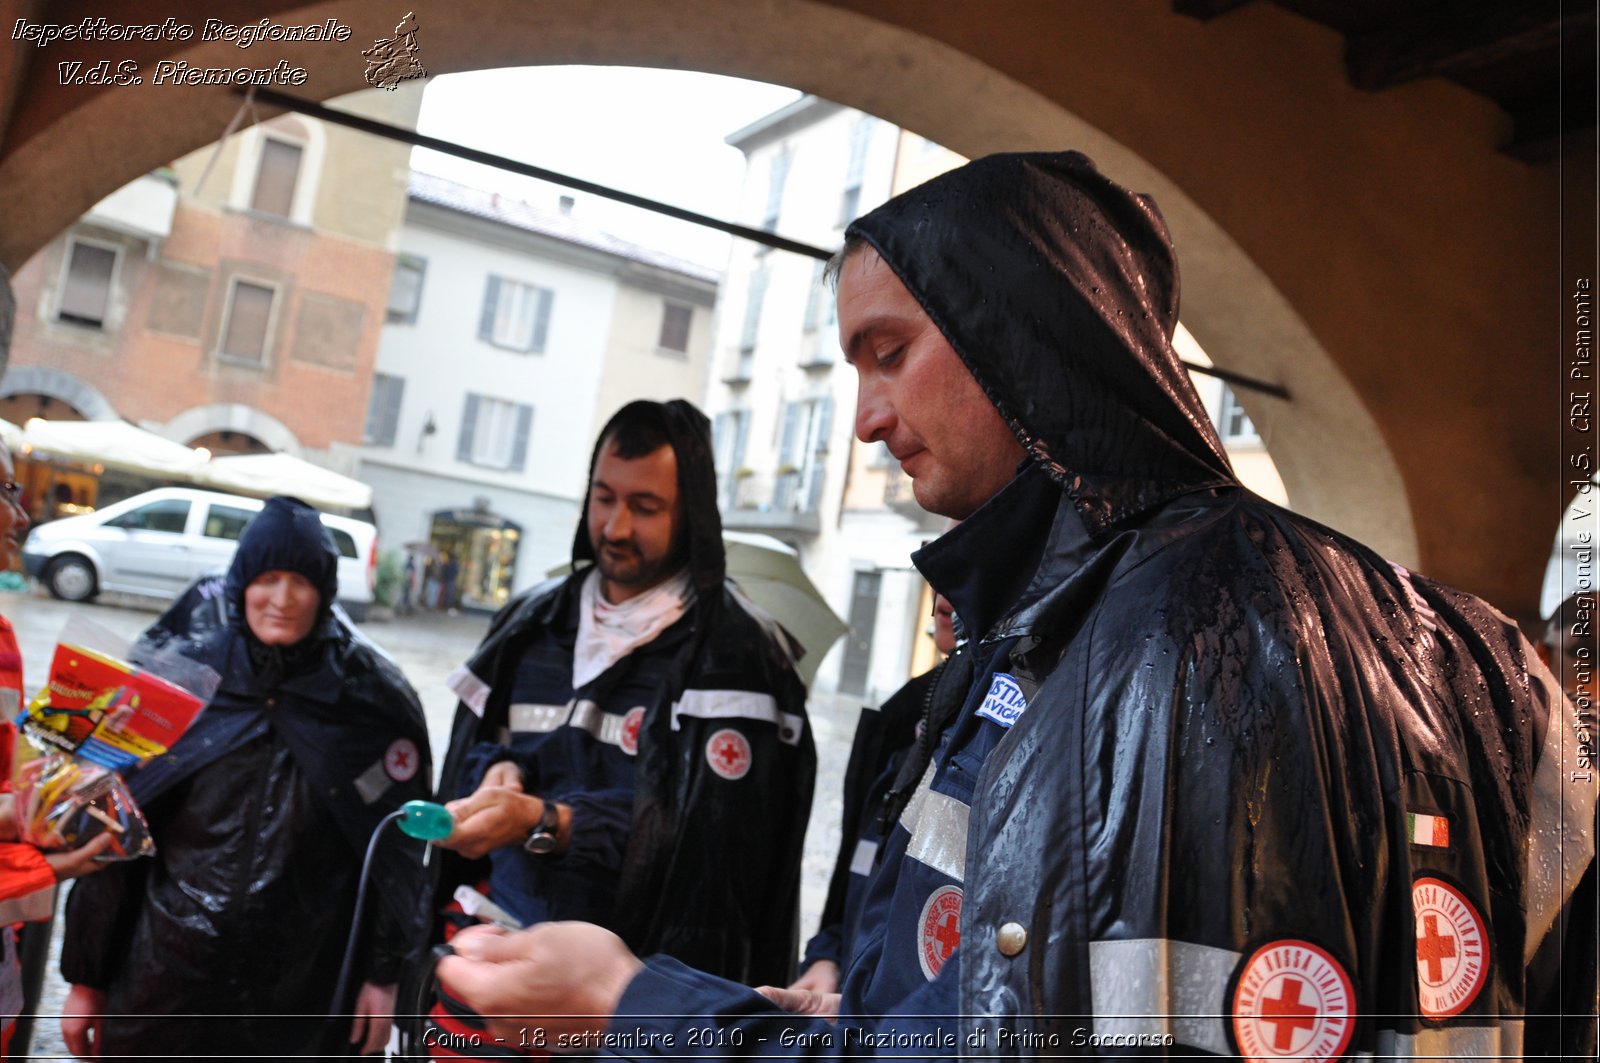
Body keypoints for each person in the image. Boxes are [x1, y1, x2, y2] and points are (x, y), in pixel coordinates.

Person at [434, 151, 1597, 1059]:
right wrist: (859, 992)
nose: (867, 418)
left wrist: (633, 1006)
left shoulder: (1161, 647)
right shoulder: (1458, 642)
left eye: (888, 352)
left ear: (1022, 328)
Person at [420, 399, 814, 1049]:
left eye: (645, 506)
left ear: (692, 513)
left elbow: (715, 855)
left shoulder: (738, 657)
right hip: (492, 994)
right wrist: (496, 770)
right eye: (604, 497)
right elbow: (471, 751)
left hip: (631, 1018)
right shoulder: (529, 625)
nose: (616, 524)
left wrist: (547, 822)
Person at [60, 495, 433, 1059]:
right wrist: (87, 980)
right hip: (163, 987)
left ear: (326, 591)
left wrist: (383, 980)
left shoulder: (371, 701)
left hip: (301, 999)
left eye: (301, 582)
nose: (282, 599)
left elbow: (396, 854)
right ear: (241, 582)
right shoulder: (178, 681)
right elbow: (114, 841)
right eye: (268, 577)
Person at [0, 441, 114, 1056]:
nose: (21, 516)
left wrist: (72, 736)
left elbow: (12, 769)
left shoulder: (4, 637)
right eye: (4, 492)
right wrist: (43, 851)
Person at [790, 592, 956, 995]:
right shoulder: (904, 717)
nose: (943, 593)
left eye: (965, 532)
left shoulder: (1003, 726)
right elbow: (862, 866)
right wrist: (827, 954)